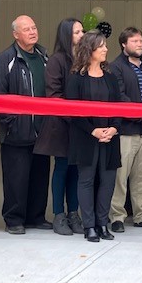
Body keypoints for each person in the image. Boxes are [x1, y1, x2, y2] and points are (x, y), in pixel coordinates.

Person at [0, 15, 51, 234]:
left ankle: (36, 216)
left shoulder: (44, 57)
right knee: (16, 178)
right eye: (26, 29)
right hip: (17, 131)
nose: (32, 32)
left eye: (34, 27)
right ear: (16, 34)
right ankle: (14, 219)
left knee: (39, 175)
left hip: (42, 129)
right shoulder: (5, 59)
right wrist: (12, 123)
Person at [66, 31, 122, 243]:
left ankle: (102, 224)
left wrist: (114, 129)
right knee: (87, 180)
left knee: (108, 182)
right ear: (90, 50)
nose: (106, 49)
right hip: (86, 137)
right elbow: (73, 112)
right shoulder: (76, 78)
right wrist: (93, 130)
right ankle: (89, 225)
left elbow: (119, 107)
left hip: (110, 137)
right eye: (101, 46)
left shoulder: (110, 77)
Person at [109, 27, 142, 233]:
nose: (140, 44)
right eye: (135, 41)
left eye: (141, 41)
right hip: (125, 131)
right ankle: (118, 216)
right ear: (124, 44)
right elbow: (119, 97)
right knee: (120, 177)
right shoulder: (115, 68)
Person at [34, 18, 84, 236]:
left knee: (76, 169)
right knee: (62, 168)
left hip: (80, 125)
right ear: (66, 35)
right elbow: (53, 94)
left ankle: (74, 212)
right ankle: (59, 215)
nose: (82, 35)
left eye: (82, 31)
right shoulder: (56, 60)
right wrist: (74, 116)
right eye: (76, 32)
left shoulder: (84, 59)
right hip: (61, 125)